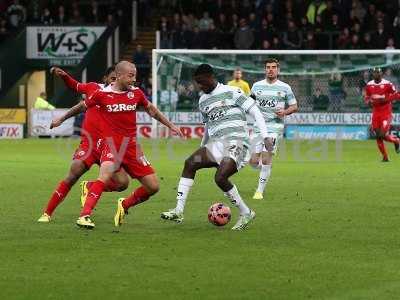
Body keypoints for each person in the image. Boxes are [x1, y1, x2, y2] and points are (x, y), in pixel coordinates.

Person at [50, 61, 183, 229]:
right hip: (111, 145)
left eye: (135, 75)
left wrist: (171, 126)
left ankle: (125, 205)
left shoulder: (136, 93)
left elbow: (152, 110)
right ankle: (84, 216)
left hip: (132, 147)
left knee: (153, 186)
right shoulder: (101, 94)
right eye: (130, 75)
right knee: (104, 177)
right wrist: (61, 119)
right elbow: (81, 107)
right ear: (119, 75)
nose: (134, 79)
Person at [161, 64, 271, 231]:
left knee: (220, 178)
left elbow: (256, 112)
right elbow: (208, 126)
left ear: (211, 77)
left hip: (237, 142)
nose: (199, 86)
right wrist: (202, 147)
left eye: (202, 82)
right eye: (197, 83)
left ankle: (246, 212)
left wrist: (265, 136)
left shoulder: (232, 91)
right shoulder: (203, 101)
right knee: (190, 163)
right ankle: (178, 210)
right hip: (217, 144)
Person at [38, 66, 130, 223]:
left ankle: (89, 187)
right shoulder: (94, 88)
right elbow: (75, 88)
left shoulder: (123, 95)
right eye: (112, 78)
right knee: (72, 175)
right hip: (89, 145)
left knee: (123, 183)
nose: (114, 81)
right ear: (105, 79)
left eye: (117, 78)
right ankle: (47, 213)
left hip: (109, 145)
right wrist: (65, 76)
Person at [249, 58, 298, 200]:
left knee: (265, 158)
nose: (270, 69)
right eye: (268, 67)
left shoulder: (285, 87)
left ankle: (259, 191)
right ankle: (266, 169)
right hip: (258, 127)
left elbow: (294, 106)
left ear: (278, 70)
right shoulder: (256, 86)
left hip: (274, 128)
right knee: (253, 162)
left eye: (273, 67)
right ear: (265, 69)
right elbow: (250, 103)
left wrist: (285, 112)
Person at [364, 67, 400, 162]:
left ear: (381, 74)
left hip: (386, 112)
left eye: (378, 72)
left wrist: (387, 99)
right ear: (373, 74)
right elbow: (367, 97)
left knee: (382, 134)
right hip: (376, 113)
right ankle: (385, 157)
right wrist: (368, 102)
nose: (377, 74)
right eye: (375, 73)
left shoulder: (388, 84)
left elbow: (397, 95)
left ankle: (396, 141)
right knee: (378, 136)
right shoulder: (369, 85)